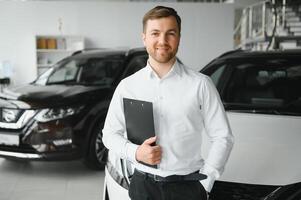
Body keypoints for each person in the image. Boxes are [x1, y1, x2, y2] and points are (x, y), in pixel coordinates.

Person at [102, 6, 234, 200]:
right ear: (144, 37)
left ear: (179, 37)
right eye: (155, 33)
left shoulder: (201, 84)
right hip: (142, 187)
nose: (162, 41)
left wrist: (206, 181)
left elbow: (223, 137)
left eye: (170, 33)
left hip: (188, 188)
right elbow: (109, 135)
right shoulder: (127, 86)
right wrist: (136, 152)